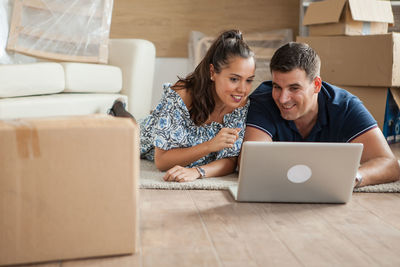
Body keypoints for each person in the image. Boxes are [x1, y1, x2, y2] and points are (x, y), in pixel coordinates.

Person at [244, 42, 400, 188]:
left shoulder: (345, 106)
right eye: (277, 87)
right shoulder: (263, 101)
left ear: (316, 85)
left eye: (294, 88)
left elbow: (390, 164)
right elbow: (251, 162)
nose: (283, 98)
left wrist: (353, 177)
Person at [111, 29, 255, 182]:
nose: (242, 89)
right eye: (234, 79)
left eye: (249, 80)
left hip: (185, 150)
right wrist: (209, 146)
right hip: (148, 136)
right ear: (212, 72)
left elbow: (230, 161)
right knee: (129, 130)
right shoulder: (183, 94)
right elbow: (162, 162)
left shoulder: (240, 105)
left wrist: (197, 172)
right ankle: (118, 108)